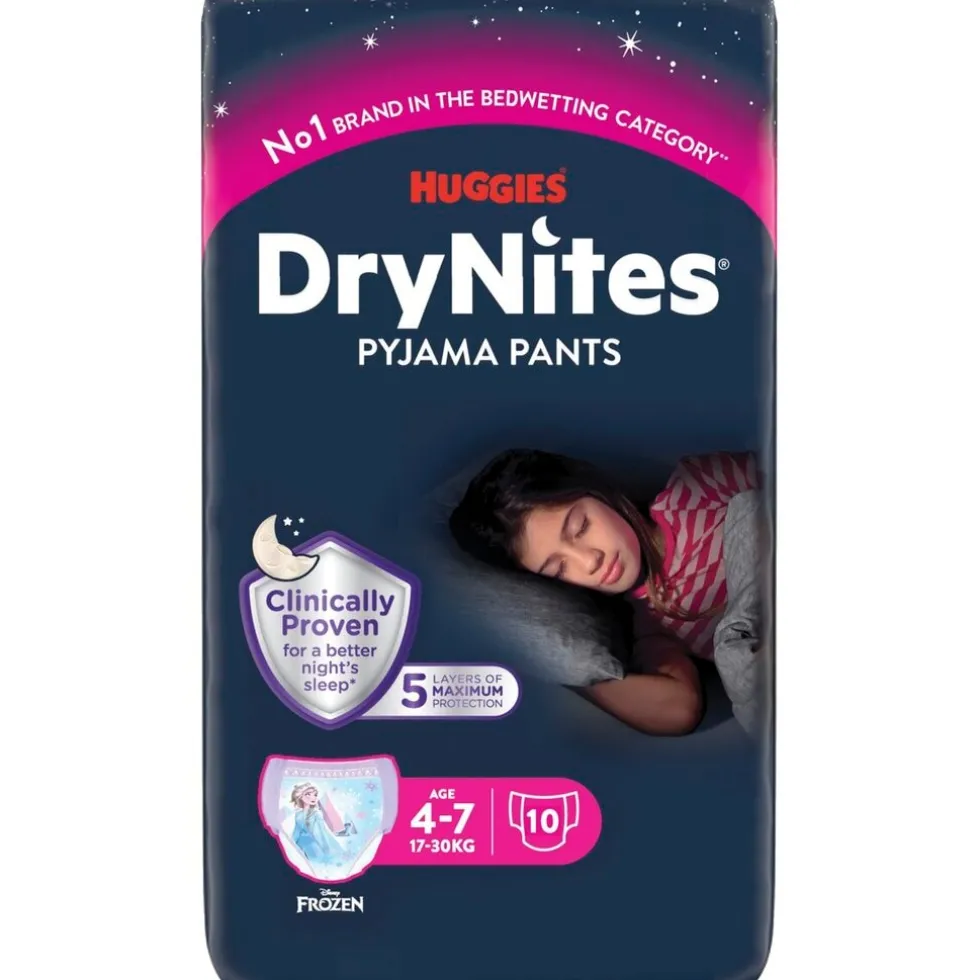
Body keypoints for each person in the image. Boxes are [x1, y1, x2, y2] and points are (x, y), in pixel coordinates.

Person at [449, 448, 761, 735]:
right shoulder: (653, 627)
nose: (589, 561)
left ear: (598, 492)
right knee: (740, 664)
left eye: (581, 527)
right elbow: (679, 709)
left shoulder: (696, 487)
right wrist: (562, 668)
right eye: (559, 569)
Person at [288, 782, 356, 877]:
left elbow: (321, 833)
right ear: (300, 797)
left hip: (315, 844)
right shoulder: (298, 814)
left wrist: (326, 848)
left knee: (318, 864)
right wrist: (292, 843)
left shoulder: (316, 814)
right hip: (303, 843)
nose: (313, 797)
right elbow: (297, 830)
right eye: (308, 794)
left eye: (315, 795)